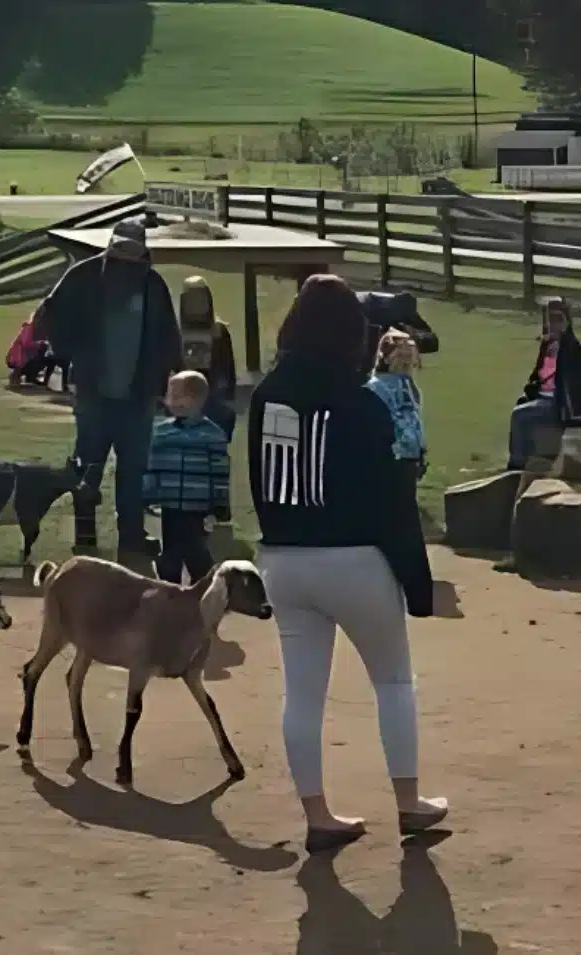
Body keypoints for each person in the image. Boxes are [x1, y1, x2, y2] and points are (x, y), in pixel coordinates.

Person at [249, 273, 447, 853]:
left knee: (302, 694)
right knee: (392, 681)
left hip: (284, 558)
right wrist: (417, 581)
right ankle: (409, 804)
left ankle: (318, 815)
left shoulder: (267, 396)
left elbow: (266, 482)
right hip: (356, 560)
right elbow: (392, 501)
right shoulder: (361, 404)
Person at [36, 219, 178, 559]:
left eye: (133, 258)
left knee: (133, 472)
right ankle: (85, 537)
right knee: (88, 469)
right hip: (94, 394)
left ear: (145, 256)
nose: (125, 265)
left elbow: (169, 337)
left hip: (138, 396)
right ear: (109, 250)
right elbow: (47, 314)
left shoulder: (153, 286)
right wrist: (68, 351)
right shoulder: (83, 276)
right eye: (119, 256)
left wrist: (166, 381)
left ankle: (131, 536)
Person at [145, 370, 231, 585]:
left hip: (197, 507)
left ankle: (208, 593)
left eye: (176, 396)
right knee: (170, 555)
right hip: (170, 504)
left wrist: (220, 504)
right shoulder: (161, 432)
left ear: (197, 400)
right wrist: (148, 494)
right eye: (168, 395)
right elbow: (152, 465)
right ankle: (169, 595)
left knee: (196, 553)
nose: (169, 401)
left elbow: (221, 473)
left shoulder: (213, 435)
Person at [505, 296, 581, 471]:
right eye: (550, 319)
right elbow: (536, 375)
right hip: (542, 398)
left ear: (566, 322)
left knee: (518, 416)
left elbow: (573, 378)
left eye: (558, 319)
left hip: (557, 403)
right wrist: (530, 390)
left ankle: (516, 465)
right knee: (523, 411)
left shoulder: (573, 348)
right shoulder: (546, 345)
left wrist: (564, 338)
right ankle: (528, 461)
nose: (554, 324)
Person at [367, 327, 428, 496]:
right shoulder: (375, 387)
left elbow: (415, 419)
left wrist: (421, 451)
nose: (407, 361)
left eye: (410, 356)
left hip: (410, 462)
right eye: (401, 356)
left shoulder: (411, 387)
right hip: (389, 461)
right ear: (385, 358)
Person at [177, 276, 240, 434]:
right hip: (184, 399)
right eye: (192, 299)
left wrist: (228, 396)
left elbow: (228, 369)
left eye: (200, 299)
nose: (197, 305)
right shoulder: (175, 332)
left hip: (213, 396)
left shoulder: (219, 332)